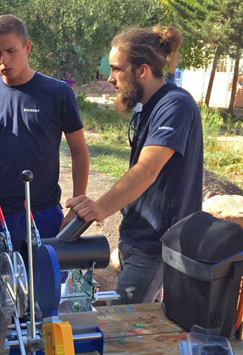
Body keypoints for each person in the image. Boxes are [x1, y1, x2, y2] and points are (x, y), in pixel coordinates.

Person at [66, 26, 203, 304]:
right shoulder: (148, 106)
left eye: (117, 69)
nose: (110, 78)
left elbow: (147, 169)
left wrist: (100, 207)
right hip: (136, 237)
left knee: (122, 326)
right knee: (143, 326)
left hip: (156, 245)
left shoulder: (175, 105)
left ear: (141, 70)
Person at [0, 14, 89, 283]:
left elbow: (79, 151)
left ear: (27, 47)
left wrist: (77, 205)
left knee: (46, 294)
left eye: (11, 51)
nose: (3, 61)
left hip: (43, 213)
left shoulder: (58, 93)